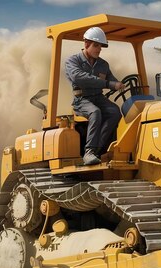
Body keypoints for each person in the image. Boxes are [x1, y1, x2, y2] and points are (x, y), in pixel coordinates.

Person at [65, 27, 125, 165]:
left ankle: (98, 149)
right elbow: (80, 78)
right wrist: (109, 84)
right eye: (96, 45)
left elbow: (111, 80)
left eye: (101, 46)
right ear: (86, 44)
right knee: (95, 112)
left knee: (115, 112)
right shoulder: (73, 61)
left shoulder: (103, 64)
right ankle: (89, 152)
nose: (99, 49)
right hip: (82, 100)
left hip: (98, 98)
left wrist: (119, 84)